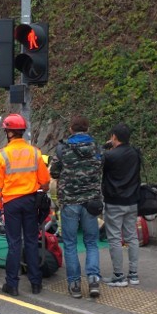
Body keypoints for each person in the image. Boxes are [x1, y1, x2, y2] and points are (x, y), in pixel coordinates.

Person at [0, 113, 50, 296]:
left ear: (9, 133)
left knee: (14, 243)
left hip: (11, 203)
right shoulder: (35, 152)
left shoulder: (2, 155)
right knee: (31, 241)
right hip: (30, 201)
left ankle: (12, 285)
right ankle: (36, 283)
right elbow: (45, 182)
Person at [49, 115, 103, 299]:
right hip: (91, 202)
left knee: (70, 243)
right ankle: (94, 281)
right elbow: (100, 167)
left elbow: (54, 172)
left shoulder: (62, 149)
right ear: (87, 129)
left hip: (70, 202)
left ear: (71, 129)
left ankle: (74, 284)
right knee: (91, 243)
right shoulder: (97, 147)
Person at [101, 122, 142, 287]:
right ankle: (133, 274)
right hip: (132, 201)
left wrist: (105, 148)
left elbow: (100, 164)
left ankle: (118, 276)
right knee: (132, 237)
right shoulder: (136, 153)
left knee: (114, 238)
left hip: (114, 202)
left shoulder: (110, 156)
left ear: (114, 137)